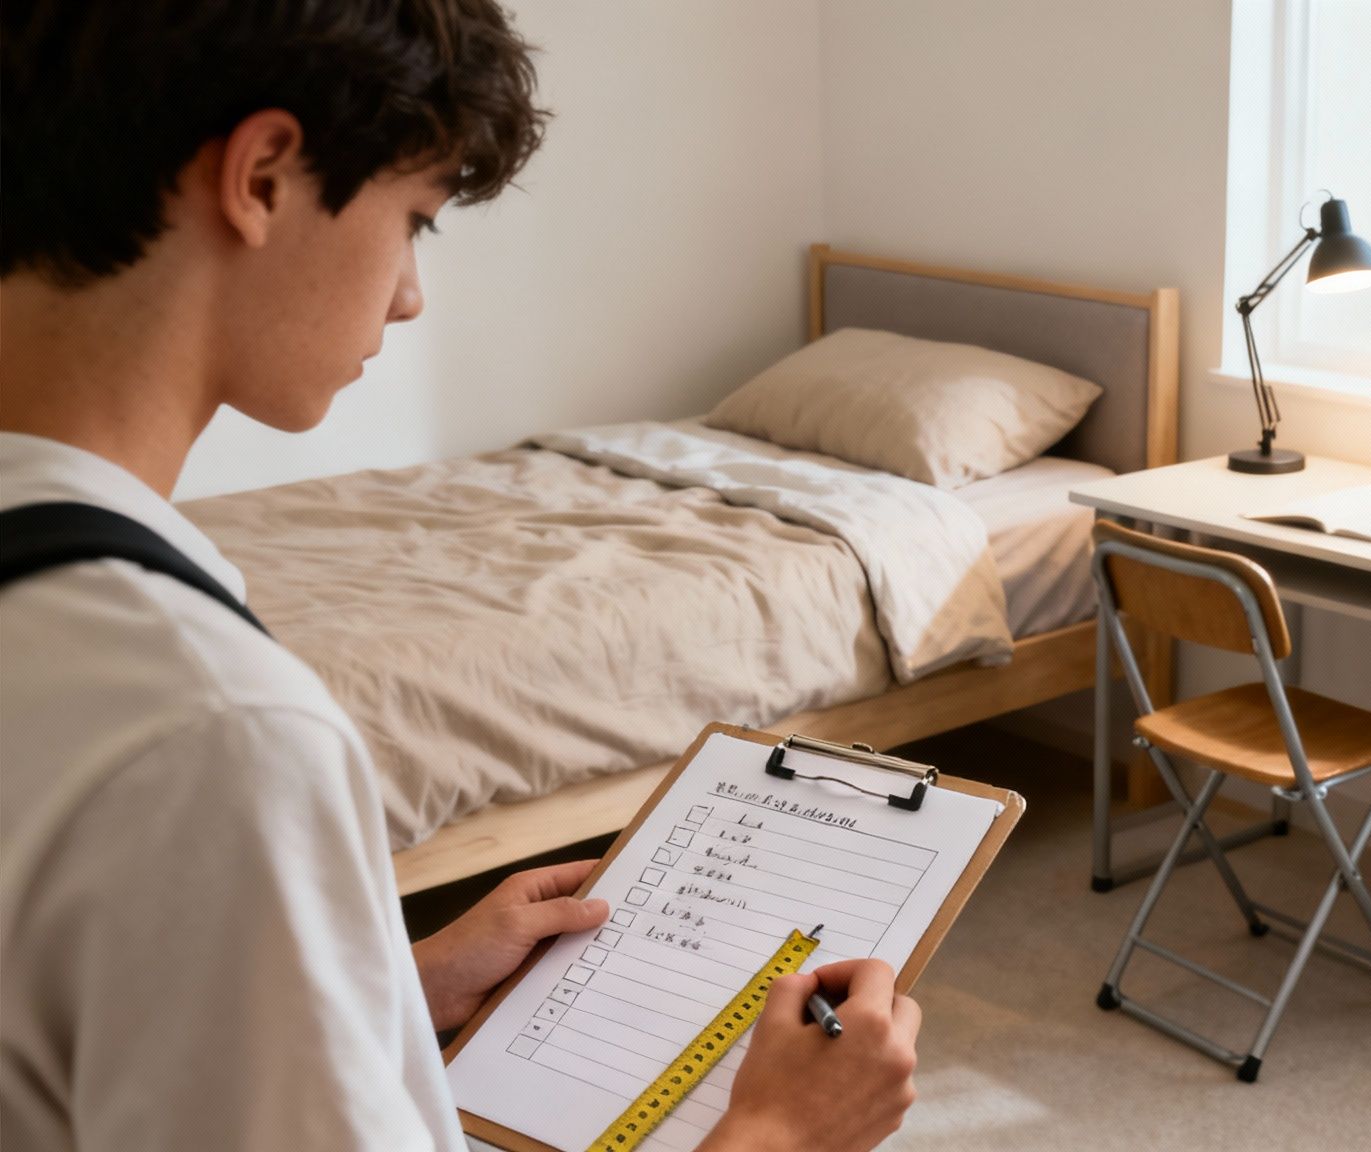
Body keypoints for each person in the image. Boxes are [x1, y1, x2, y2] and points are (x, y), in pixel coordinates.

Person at [0, 2, 918, 1149]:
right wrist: (778, 1132)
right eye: (416, 221)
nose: (406, 294)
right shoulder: (213, 732)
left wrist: (383, 984)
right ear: (266, 173)